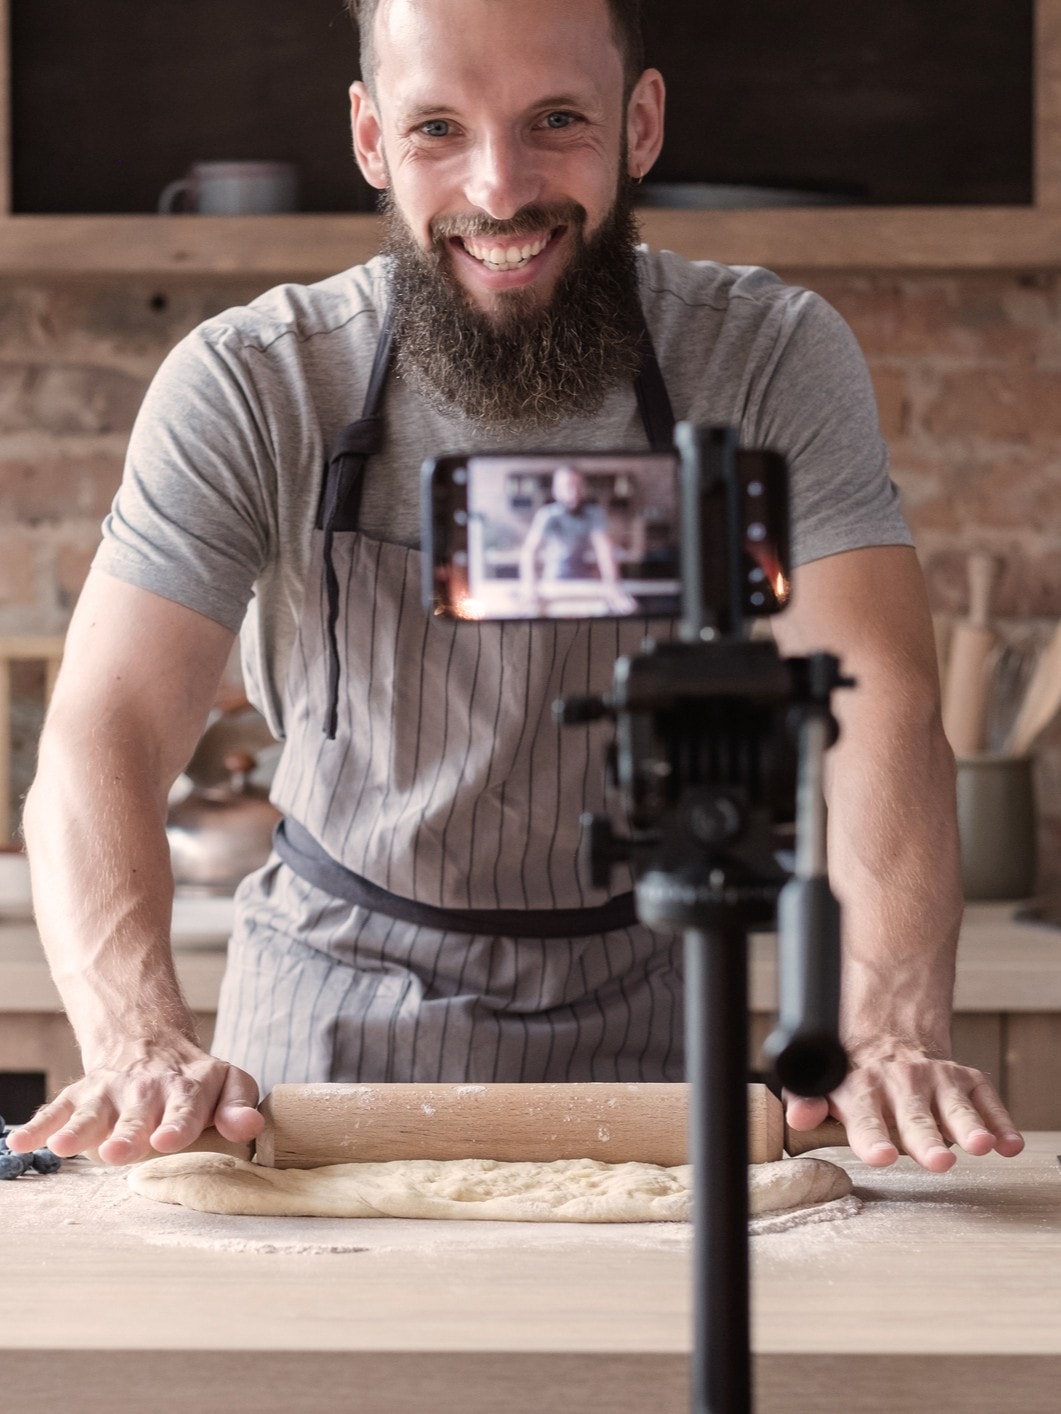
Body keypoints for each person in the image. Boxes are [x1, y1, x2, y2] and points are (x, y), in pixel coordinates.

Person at [10, 0, 1023, 1176]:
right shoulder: (253, 382)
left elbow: (876, 704)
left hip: (647, 1037)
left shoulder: (765, 357)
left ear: (639, 124)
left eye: (554, 120)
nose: (499, 189)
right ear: (370, 139)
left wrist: (887, 1030)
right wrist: (137, 1038)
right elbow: (104, 731)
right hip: (316, 1046)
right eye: (437, 126)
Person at [518, 466, 637, 614]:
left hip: (585, 581)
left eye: (577, 486)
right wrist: (529, 586)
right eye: (567, 486)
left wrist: (612, 584)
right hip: (554, 581)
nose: (573, 492)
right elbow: (529, 551)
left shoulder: (594, 514)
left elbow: (604, 550)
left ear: (583, 489)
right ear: (556, 490)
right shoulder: (547, 515)